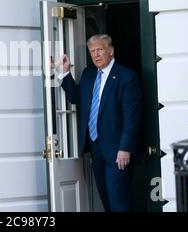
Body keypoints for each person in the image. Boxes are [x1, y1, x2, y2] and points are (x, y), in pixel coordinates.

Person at [59, 34, 142, 212]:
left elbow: (131, 117)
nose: (96, 55)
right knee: (106, 199)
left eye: (100, 50)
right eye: (92, 51)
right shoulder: (88, 74)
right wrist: (65, 72)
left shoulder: (127, 77)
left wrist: (125, 148)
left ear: (110, 51)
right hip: (96, 148)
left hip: (118, 150)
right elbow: (75, 98)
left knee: (118, 201)